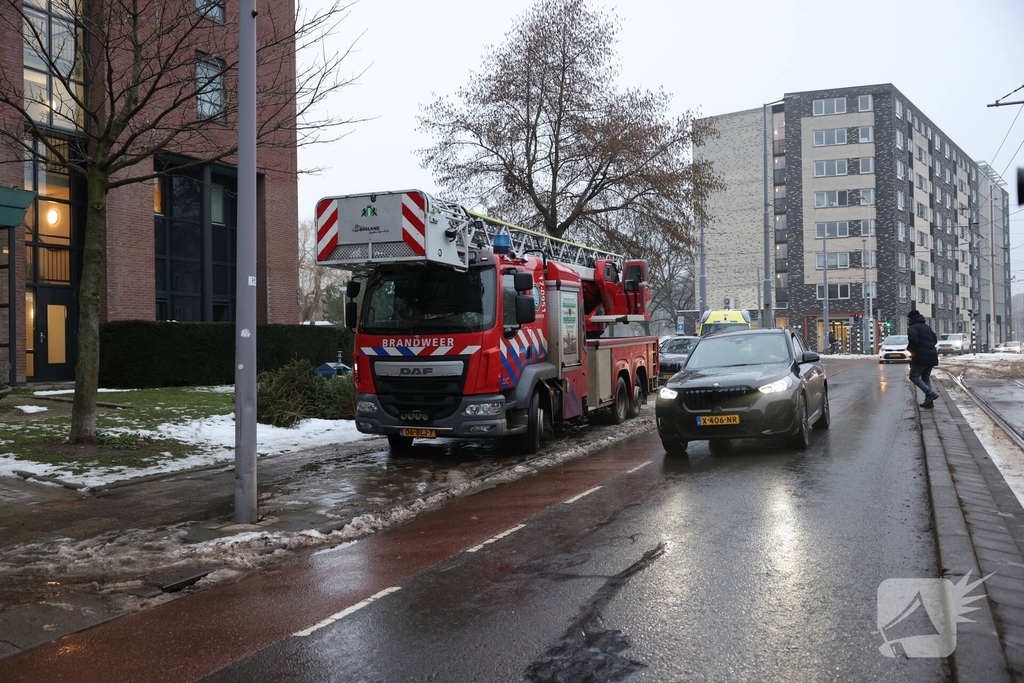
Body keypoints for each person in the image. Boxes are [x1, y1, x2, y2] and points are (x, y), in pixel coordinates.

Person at [906, 309, 939, 408]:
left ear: (911, 319)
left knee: (913, 376)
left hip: (921, 356)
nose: (908, 321)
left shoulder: (913, 328)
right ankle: (929, 402)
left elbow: (913, 341)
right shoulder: (926, 327)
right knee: (925, 377)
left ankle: (929, 393)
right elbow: (935, 340)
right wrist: (928, 347)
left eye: (908, 319)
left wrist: (910, 349)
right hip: (932, 355)